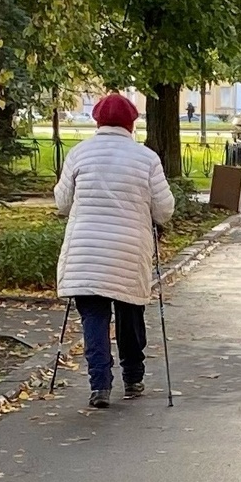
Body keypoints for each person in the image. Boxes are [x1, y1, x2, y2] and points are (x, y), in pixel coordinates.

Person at [55, 93, 176, 409]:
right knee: (129, 312)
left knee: (93, 317)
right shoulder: (146, 158)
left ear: (97, 120)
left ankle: (100, 386)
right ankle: (134, 379)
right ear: (131, 123)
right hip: (128, 250)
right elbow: (164, 209)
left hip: (86, 251)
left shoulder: (79, 154)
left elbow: (62, 202)